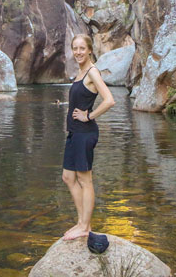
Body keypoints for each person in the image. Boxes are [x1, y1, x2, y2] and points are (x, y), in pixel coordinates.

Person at [61, 34, 115, 241]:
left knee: (85, 179)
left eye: (82, 48)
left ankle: (84, 226)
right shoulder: (81, 72)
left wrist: (89, 115)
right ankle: (83, 222)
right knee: (68, 177)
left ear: (90, 50)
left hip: (85, 133)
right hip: (75, 132)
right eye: (75, 48)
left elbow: (109, 100)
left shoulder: (92, 72)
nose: (78, 52)